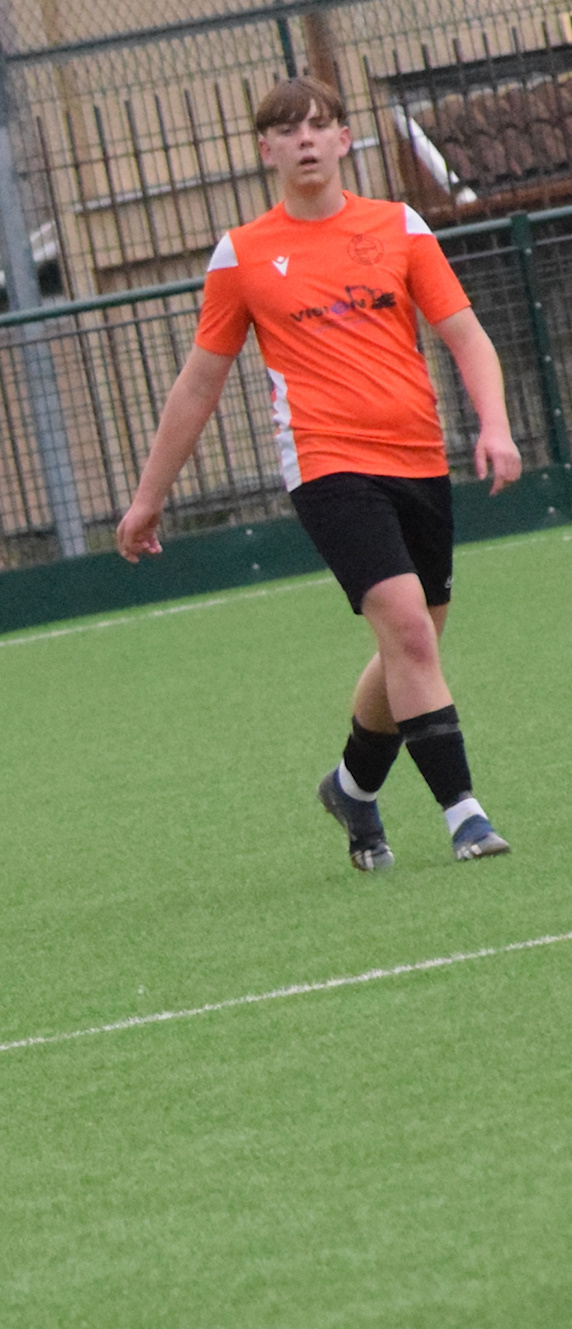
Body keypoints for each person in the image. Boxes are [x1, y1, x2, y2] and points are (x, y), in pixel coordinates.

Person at [116, 75, 516, 869]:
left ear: (343, 140)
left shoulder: (398, 228)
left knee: (414, 641)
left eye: (320, 125)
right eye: (287, 129)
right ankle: (464, 813)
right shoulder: (243, 255)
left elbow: (467, 337)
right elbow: (199, 384)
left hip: (418, 456)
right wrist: (147, 499)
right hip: (328, 465)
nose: (305, 139)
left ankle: (351, 788)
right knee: (406, 626)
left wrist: (496, 425)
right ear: (265, 149)